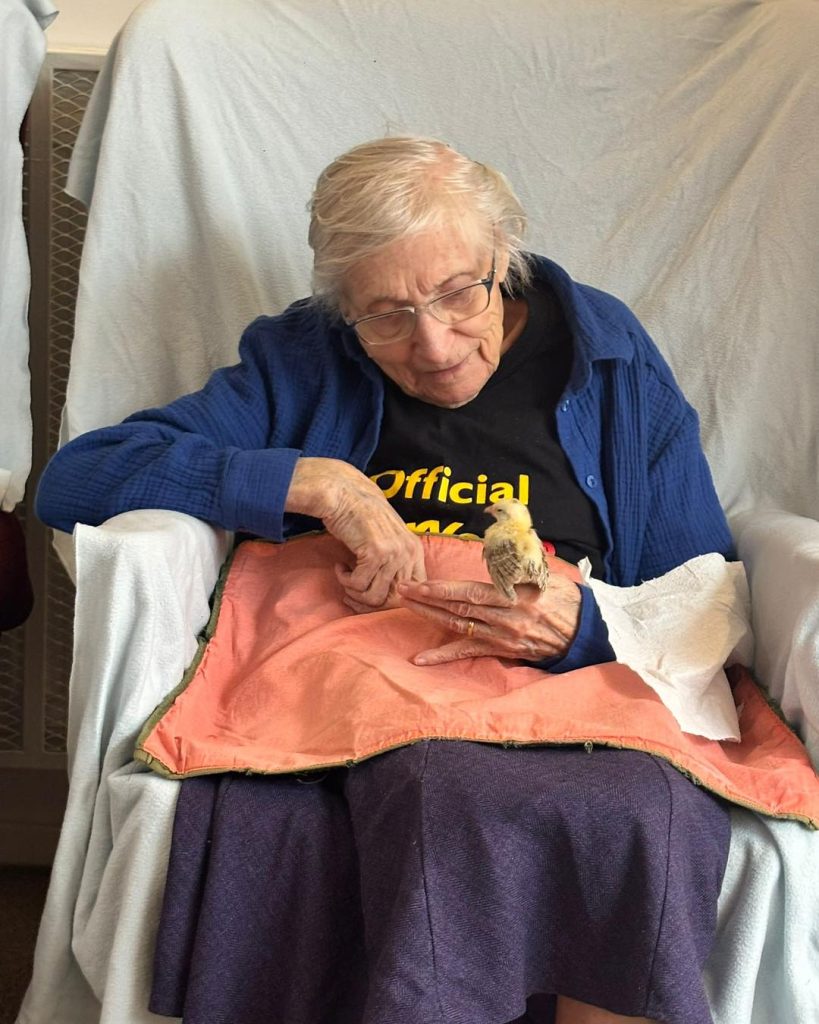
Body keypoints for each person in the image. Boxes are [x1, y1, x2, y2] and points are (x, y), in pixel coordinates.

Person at [36, 136, 735, 1024]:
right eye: (386, 315)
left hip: (574, 684)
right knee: (444, 789)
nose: (433, 344)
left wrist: (583, 629)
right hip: (373, 682)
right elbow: (79, 478)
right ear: (343, 312)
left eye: (458, 294)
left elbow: (704, 581)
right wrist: (313, 481)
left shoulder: (606, 357)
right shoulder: (299, 355)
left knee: (642, 815)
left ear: (504, 259)